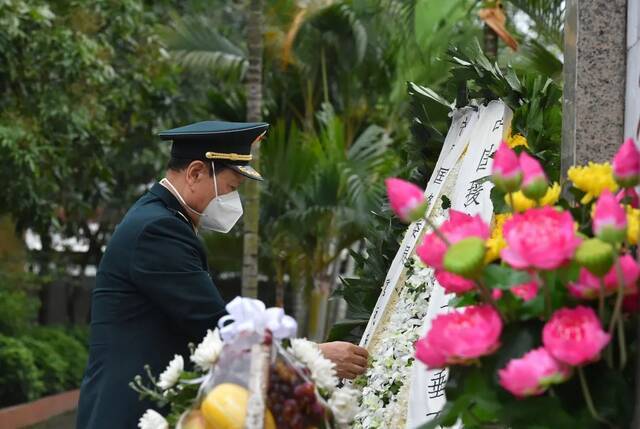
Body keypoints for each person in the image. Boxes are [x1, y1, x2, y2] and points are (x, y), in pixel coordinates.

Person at [76, 121, 368, 428]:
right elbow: (214, 330)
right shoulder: (158, 231)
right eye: (231, 188)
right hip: (131, 414)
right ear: (196, 173)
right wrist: (314, 356)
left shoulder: (161, 219)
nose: (233, 201)